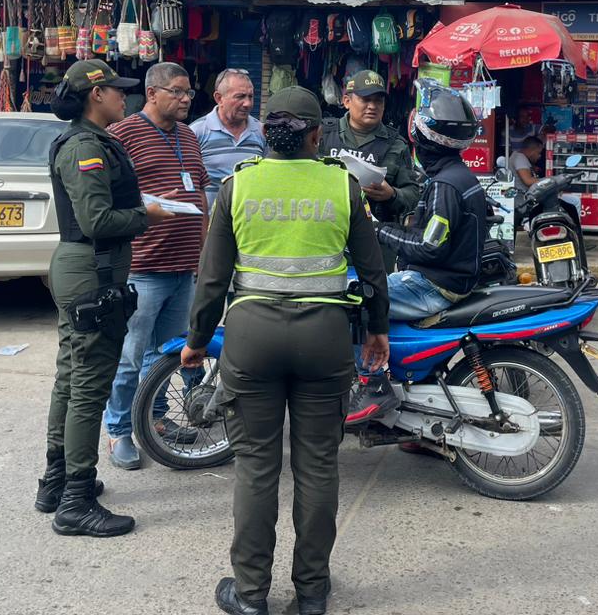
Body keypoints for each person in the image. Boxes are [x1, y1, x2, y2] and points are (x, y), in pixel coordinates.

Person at [182, 86, 389, 615]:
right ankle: (312, 592)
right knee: (319, 466)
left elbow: (211, 280)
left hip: (253, 339)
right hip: (323, 339)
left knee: (255, 467)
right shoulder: (343, 187)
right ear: (318, 135)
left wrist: (196, 342)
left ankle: (250, 595)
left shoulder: (237, 186)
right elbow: (372, 273)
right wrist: (377, 330)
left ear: (267, 133)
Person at [35, 59, 175, 537]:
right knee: (87, 386)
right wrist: (146, 216)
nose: (124, 96)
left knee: (70, 379)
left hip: (84, 269)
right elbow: (96, 221)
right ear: (96, 95)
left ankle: (56, 481)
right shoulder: (84, 147)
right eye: (117, 90)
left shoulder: (90, 142)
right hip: (91, 271)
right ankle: (75, 498)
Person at [347, 90, 484, 423]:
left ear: (424, 141)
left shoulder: (446, 186)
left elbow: (430, 247)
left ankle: (372, 383)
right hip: (447, 279)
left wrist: (379, 230)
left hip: (433, 284)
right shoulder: (458, 179)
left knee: (351, 298)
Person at [102, 61, 209, 470]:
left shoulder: (188, 135)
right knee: (130, 355)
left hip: (184, 267)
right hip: (144, 267)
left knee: (165, 356)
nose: (185, 99)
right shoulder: (122, 134)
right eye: (177, 92)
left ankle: (154, 419)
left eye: (188, 93)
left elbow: (199, 192)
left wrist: (203, 256)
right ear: (152, 93)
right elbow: (107, 197)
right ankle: (117, 431)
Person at [320, 69, 421, 266]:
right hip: (326, 235)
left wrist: (391, 194)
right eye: (365, 100)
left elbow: (413, 196)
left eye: (378, 101)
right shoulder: (323, 135)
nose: (372, 106)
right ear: (347, 101)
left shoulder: (396, 144)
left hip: (376, 243)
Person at [191, 68, 266, 212]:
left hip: (249, 224)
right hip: (211, 227)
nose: (248, 104)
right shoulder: (196, 132)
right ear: (219, 98)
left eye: (250, 96)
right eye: (240, 97)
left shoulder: (261, 132)